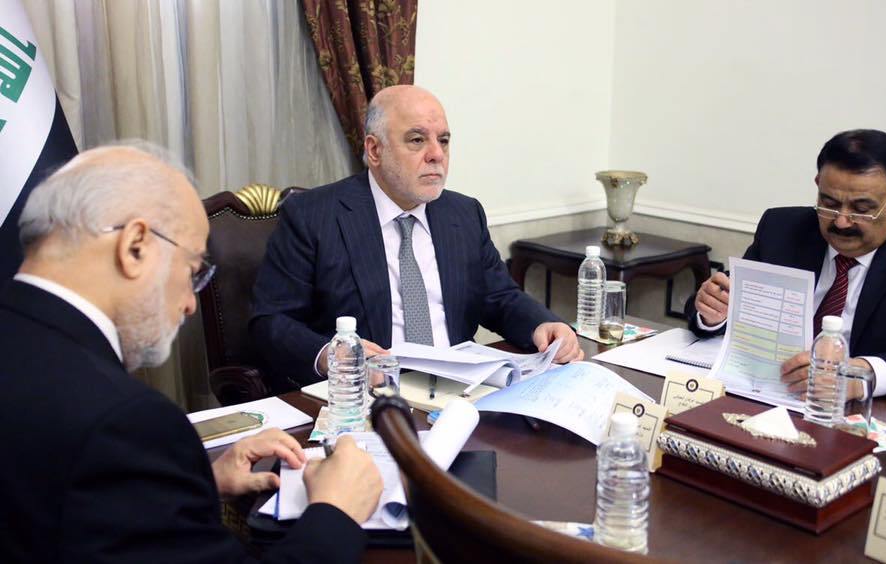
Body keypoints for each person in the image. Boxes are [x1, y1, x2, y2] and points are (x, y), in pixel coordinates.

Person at [0, 144, 383, 563]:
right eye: (193, 271)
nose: (189, 305)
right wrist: (336, 510)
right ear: (135, 247)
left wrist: (188, 483)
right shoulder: (126, 422)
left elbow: (54, 501)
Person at [250, 85, 581, 384]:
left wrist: (543, 325)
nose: (436, 154)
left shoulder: (463, 213)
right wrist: (330, 355)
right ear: (375, 150)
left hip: (458, 389)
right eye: (417, 140)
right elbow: (270, 321)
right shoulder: (314, 216)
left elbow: (499, 296)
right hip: (367, 395)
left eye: (444, 140)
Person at [687, 129, 886, 397]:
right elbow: (727, 305)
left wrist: (860, 375)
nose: (841, 221)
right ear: (818, 185)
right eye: (829, 203)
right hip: (769, 392)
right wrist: (713, 312)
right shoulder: (782, 229)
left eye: (861, 209)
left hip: (868, 410)